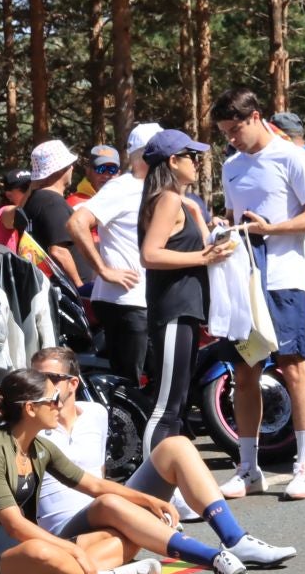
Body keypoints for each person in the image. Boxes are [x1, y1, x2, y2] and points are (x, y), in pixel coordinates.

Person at [0, 369, 247, 574]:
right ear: (31, 409)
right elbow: (14, 526)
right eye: (53, 399)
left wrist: (148, 501)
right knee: (40, 550)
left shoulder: (39, 448)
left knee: (125, 536)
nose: (60, 405)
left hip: (41, 554)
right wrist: (71, 550)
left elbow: (93, 485)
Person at [26, 346, 295, 568]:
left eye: (49, 378)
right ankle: (213, 559)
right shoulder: (29, 424)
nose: (40, 385)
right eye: (35, 377)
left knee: (176, 446)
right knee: (108, 501)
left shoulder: (95, 413)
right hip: (67, 528)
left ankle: (235, 540)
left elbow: (99, 473)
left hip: (108, 511)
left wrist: (139, 504)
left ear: (73, 383)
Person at [213, 88, 305, 499]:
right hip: (243, 280)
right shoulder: (231, 165)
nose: (231, 139)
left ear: (255, 117)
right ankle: (248, 468)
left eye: (235, 130)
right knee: (244, 371)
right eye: (224, 133)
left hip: (283, 277)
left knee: (293, 365)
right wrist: (223, 229)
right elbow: (234, 217)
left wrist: (272, 229)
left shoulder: (292, 157)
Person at [137, 128, 233, 452]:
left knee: (177, 405)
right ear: (173, 161)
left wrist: (206, 226)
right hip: (174, 310)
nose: (197, 162)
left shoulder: (179, 201)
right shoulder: (167, 199)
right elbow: (150, 255)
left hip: (186, 309)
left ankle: (168, 475)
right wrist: (203, 257)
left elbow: (202, 246)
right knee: (167, 406)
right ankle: (151, 474)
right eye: (191, 156)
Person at [66, 123, 160, 383]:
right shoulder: (122, 187)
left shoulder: (153, 188)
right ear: (148, 154)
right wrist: (104, 270)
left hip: (146, 300)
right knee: (130, 383)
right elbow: (76, 223)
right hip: (126, 301)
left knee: (156, 382)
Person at [20, 139, 85, 286]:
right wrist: (79, 286)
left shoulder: (35, 200)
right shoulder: (52, 202)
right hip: (65, 292)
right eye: (69, 164)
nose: (72, 168)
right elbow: (58, 252)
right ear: (61, 169)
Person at [0, 168, 33, 252]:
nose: (31, 192)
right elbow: (17, 212)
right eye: (26, 188)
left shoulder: (31, 211)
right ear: (9, 195)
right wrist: (33, 188)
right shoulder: (3, 213)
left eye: (31, 187)